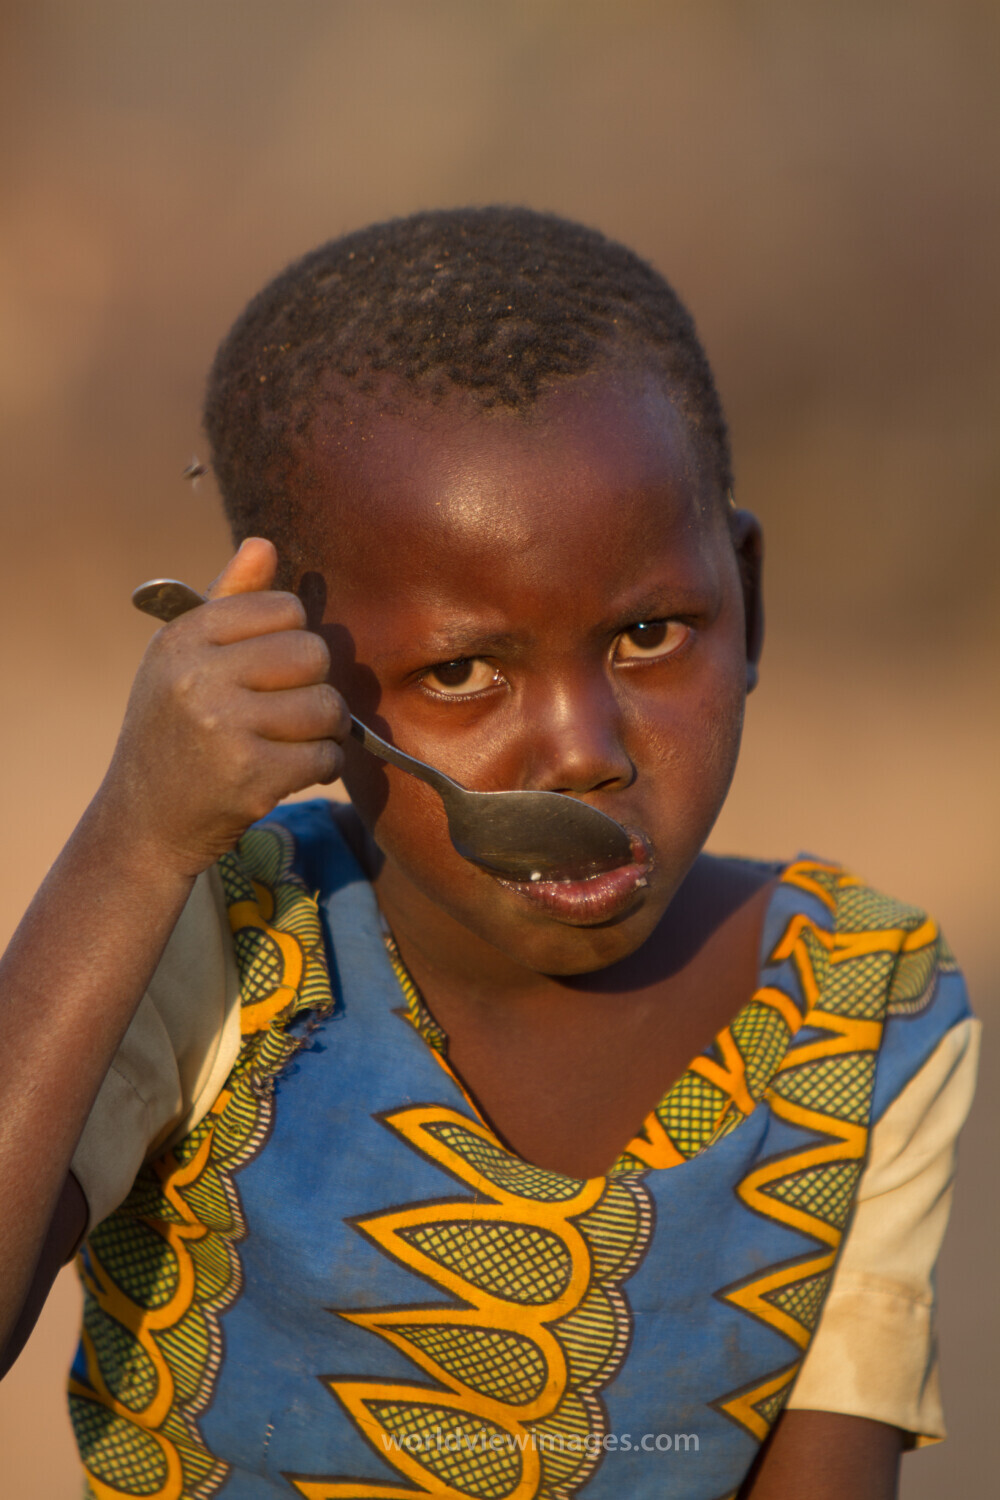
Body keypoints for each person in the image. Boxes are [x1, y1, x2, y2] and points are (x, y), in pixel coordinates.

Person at [0, 208, 978, 1500]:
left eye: (648, 635)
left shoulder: (858, 1014)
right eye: (463, 670)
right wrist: (134, 843)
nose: (583, 752)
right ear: (294, 678)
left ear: (748, 599)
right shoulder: (218, 942)